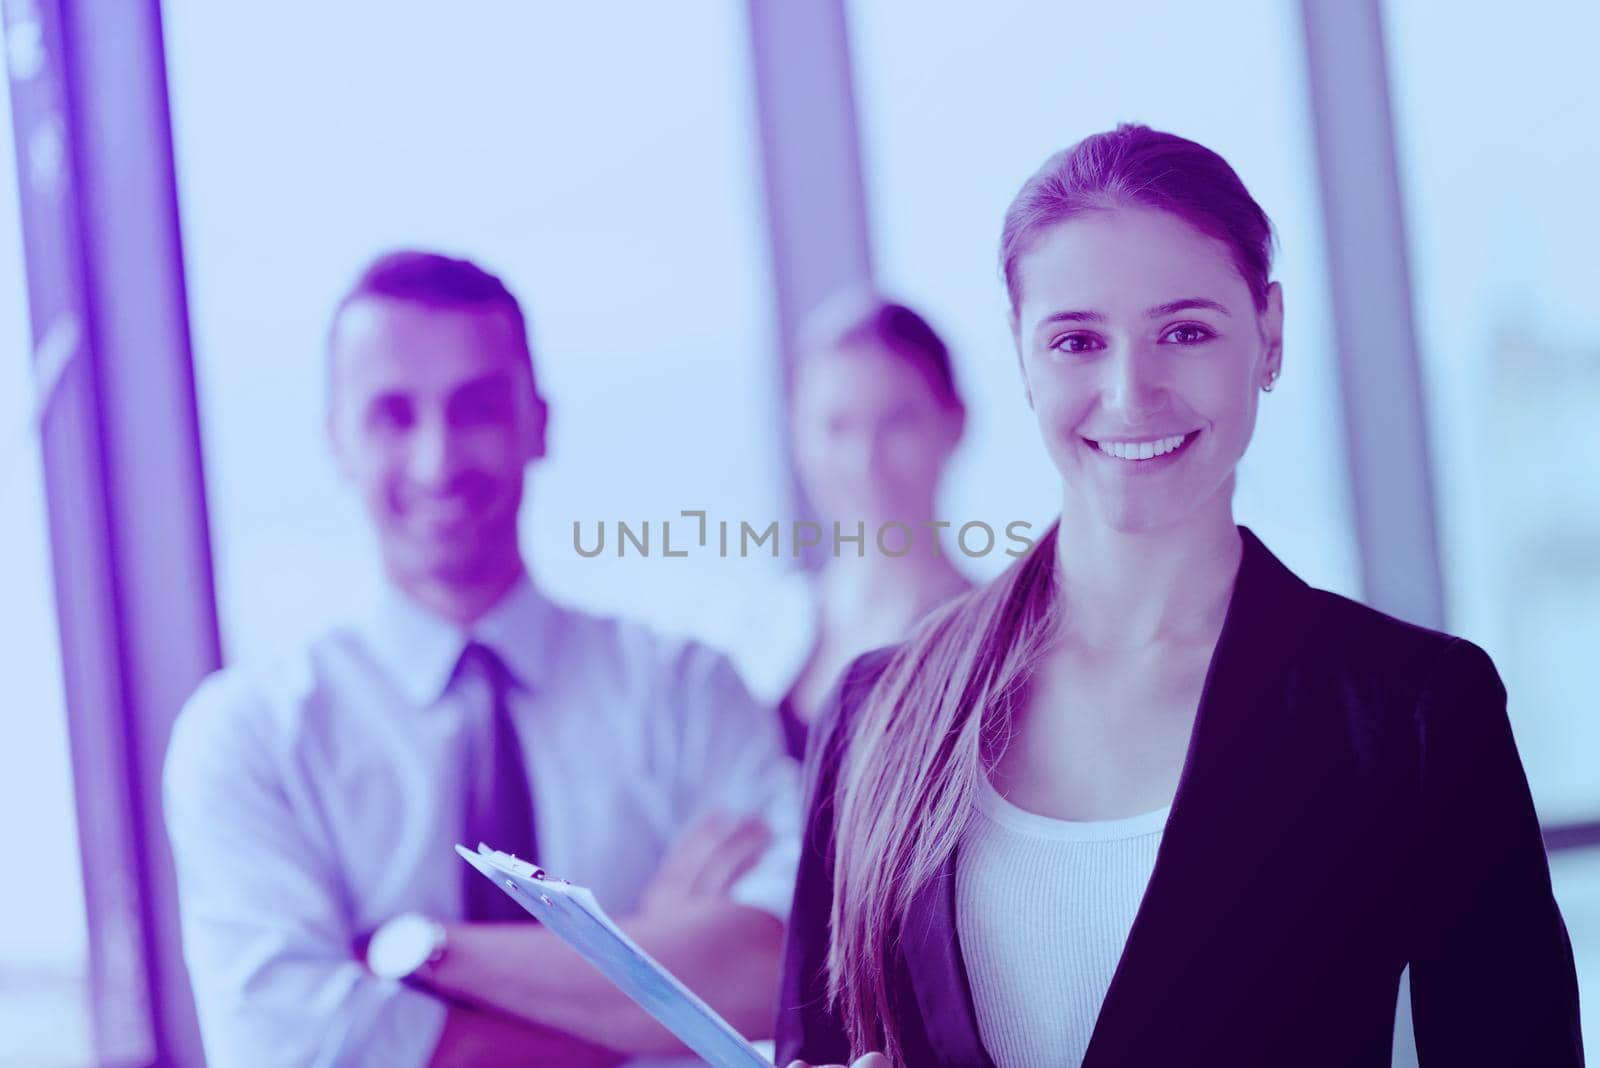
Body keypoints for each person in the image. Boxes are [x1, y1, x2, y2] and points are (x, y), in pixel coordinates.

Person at [777, 125, 1585, 1067]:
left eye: (1186, 332)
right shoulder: (880, 710)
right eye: (1078, 340)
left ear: (1269, 338)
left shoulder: (1411, 711)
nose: (1131, 393)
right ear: (1022, 355)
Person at [163, 250, 799, 1067]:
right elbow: (298, 1049)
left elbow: (771, 968)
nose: (439, 460)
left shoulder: (688, 690)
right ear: (336, 441)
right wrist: (643, 977)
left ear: (540, 423)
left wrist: (415, 956)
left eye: (477, 409)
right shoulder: (249, 736)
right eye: (393, 416)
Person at [727, 294, 972, 759]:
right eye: (836, 427)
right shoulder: (765, 627)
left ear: (955, 424)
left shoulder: (994, 641)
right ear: (796, 435)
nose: (865, 461)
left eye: (896, 422)